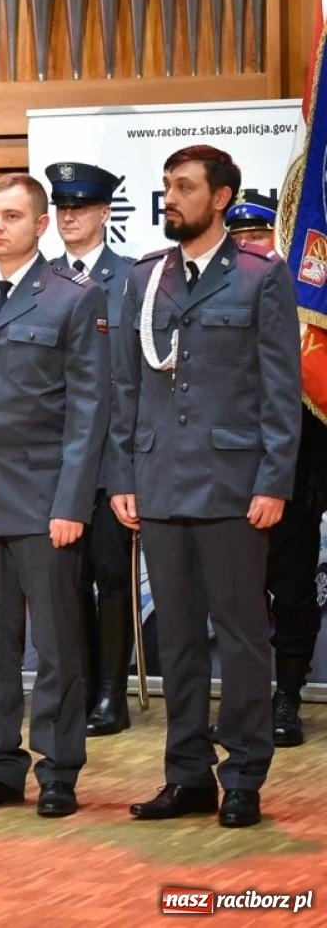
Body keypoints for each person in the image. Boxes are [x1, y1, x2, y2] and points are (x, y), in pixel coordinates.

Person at [112, 146, 301, 828]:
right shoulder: (144, 280)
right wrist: (123, 477)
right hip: (160, 484)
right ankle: (187, 774)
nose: (171, 197)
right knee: (181, 640)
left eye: (184, 187)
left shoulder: (259, 277)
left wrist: (273, 480)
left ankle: (244, 774)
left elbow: (282, 392)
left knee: (242, 635)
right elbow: (126, 388)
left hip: (232, 487)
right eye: (166, 186)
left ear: (220, 198)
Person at [0, 173, 110, 818]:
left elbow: (89, 410)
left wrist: (71, 502)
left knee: (57, 643)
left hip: (42, 498)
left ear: (40, 225)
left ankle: (59, 769)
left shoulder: (71, 297)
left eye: (10, 216)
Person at [223, 192, 327, 748]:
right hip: (227, 470)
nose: (247, 247)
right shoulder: (213, 292)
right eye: (237, 239)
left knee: (290, 587)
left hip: (293, 470)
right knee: (236, 594)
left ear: (280, 240)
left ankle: (287, 694)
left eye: (258, 236)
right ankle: (245, 698)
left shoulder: (306, 304)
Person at [43, 162, 138, 737]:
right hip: (51, 458)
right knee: (63, 580)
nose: (70, 215)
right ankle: (75, 689)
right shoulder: (42, 280)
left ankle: (112, 694)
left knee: (110, 574)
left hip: (109, 456)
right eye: (62, 207)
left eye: (81, 206)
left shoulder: (131, 279)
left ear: (106, 213)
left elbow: (135, 380)